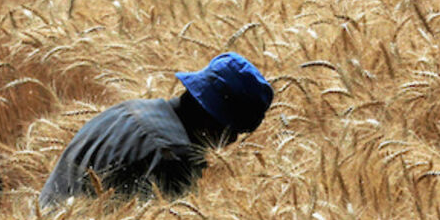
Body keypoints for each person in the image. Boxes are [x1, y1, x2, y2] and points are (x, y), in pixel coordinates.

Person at [39, 52, 273, 208]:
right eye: (232, 130)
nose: (231, 141)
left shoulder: (130, 109)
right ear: (216, 120)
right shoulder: (171, 155)